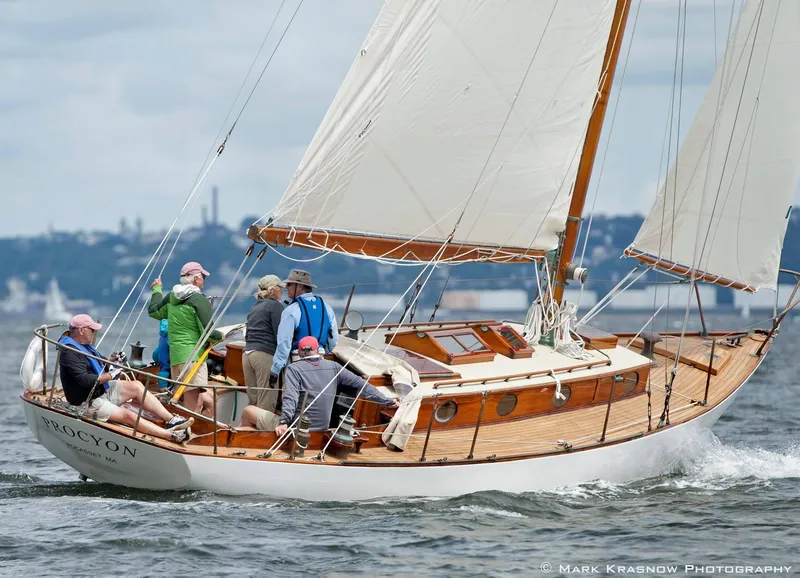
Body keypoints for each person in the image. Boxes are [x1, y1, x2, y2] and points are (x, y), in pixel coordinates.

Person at [58, 314, 193, 443]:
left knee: (136, 386)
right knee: (128, 416)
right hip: (88, 402)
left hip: (101, 391)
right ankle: (171, 435)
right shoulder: (69, 352)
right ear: (81, 330)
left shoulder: (84, 346)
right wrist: (111, 375)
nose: (94, 332)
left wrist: (112, 361)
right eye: (92, 330)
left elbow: (98, 365)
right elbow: (85, 380)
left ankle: (171, 420)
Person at [241, 336, 398, 433]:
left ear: (300, 353)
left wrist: (283, 422)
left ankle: (244, 442)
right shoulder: (334, 367)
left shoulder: (294, 368)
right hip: (321, 428)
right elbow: (362, 385)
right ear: (318, 350)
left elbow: (291, 396)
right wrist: (388, 401)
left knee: (249, 411)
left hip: (296, 428)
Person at [148, 261, 223, 414]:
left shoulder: (171, 298)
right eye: (203, 277)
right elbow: (208, 331)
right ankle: (187, 433)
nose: (204, 280)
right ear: (196, 279)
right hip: (193, 357)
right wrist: (221, 336)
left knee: (192, 398)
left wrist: (157, 289)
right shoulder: (199, 299)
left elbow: (154, 311)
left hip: (176, 357)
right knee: (193, 404)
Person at [269, 269, 339, 384]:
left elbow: (284, 342)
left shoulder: (291, 311)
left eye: (290, 284)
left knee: (293, 398)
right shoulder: (327, 308)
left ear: (300, 286)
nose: (286, 287)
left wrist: (275, 370)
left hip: (298, 359)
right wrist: (322, 351)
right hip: (320, 360)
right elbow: (334, 339)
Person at [243, 274, 285, 412]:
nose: (282, 291)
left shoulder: (254, 307)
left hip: (247, 355)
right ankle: (261, 433)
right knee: (266, 402)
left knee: (253, 402)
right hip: (264, 355)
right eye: (280, 288)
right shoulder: (275, 306)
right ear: (274, 289)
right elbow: (280, 334)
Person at [151, 319, 171, 391]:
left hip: (162, 377)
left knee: (164, 396)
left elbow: (155, 356)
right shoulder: (173, 337)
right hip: (171, 375)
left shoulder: (162, 338)